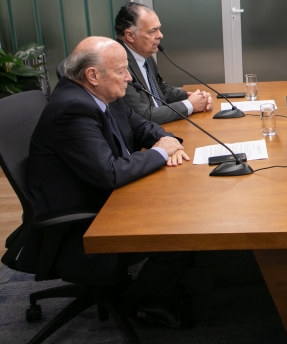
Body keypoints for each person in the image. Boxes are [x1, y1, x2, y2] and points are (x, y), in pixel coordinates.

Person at [20, 36, 195, 328]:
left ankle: (157, 290)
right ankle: (140, 301)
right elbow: (110, 173)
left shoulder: (102, 94)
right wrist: (160, 153)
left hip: (102, 195)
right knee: (181, 231)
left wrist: (165, 140)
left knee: (181, 205)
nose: (129, 77)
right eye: (121, 70)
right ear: (93, 75)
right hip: (82, 218)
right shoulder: (72, 109)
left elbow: (139, 125)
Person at [115, 2, 212, 124]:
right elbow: (143, 115)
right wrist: (189, 105)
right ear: (130, 36)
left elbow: (161, 89)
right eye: (152, 31)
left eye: (159, 29)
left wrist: (192, 97)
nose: (160, 35)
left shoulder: (144, 54)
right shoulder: (117, 65)